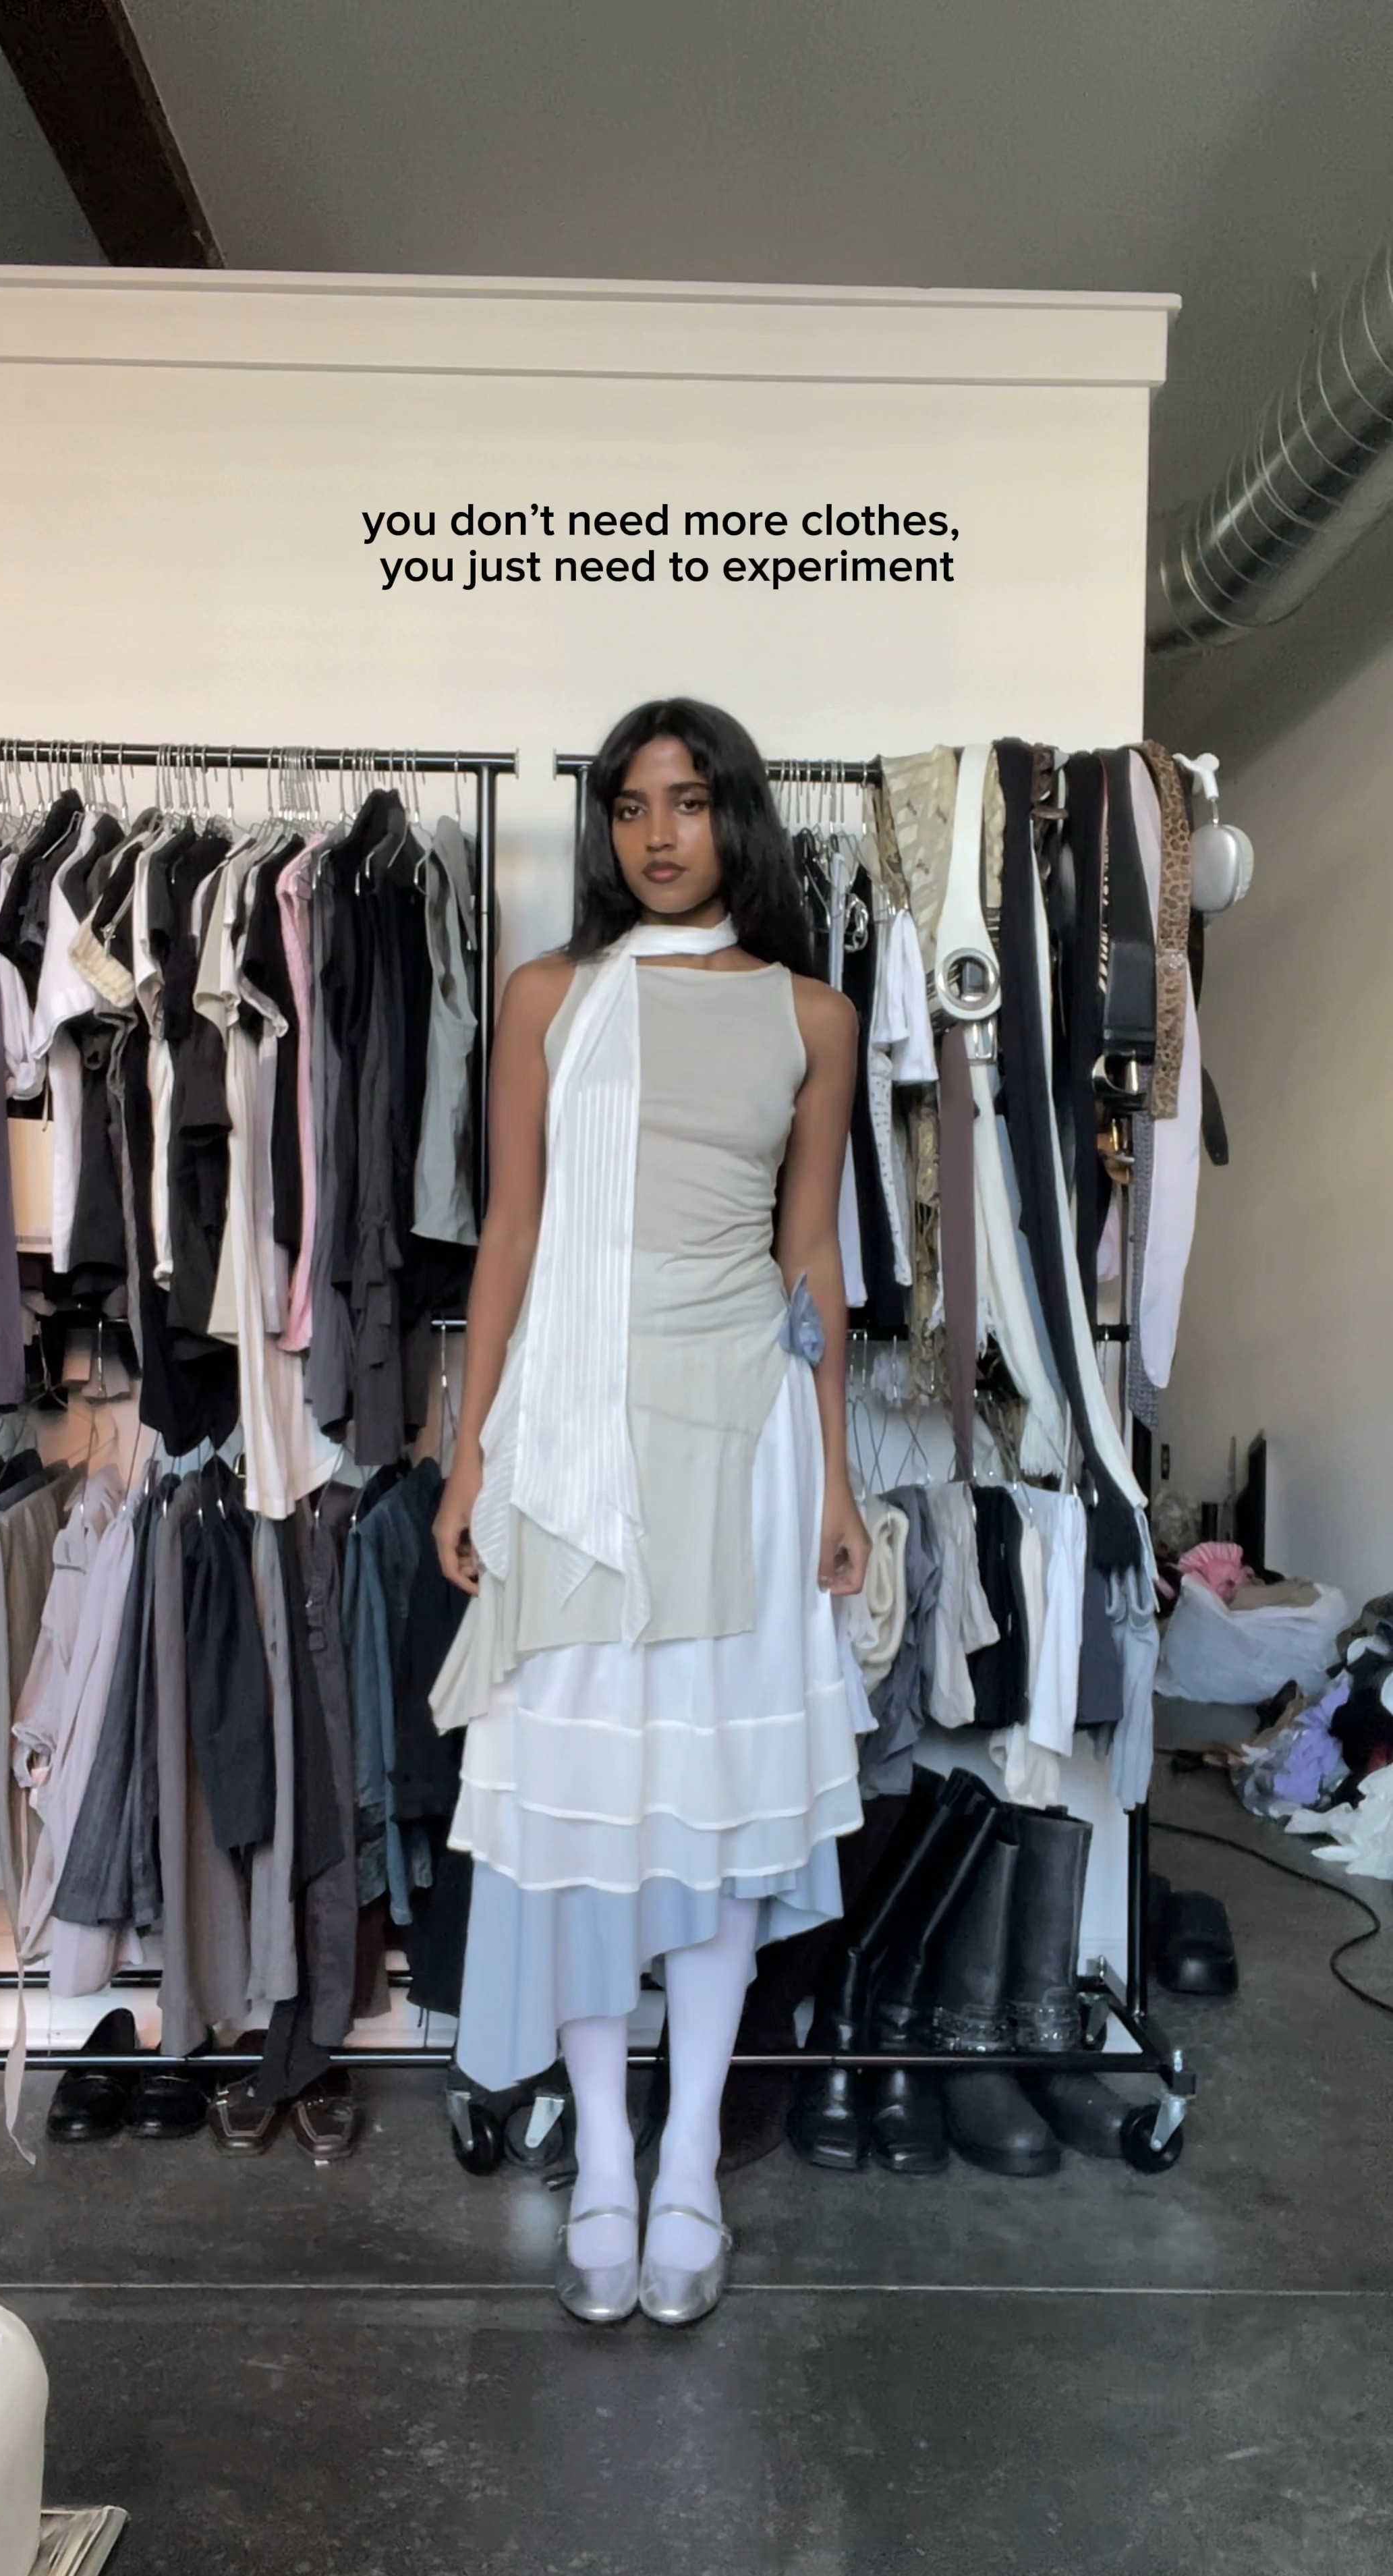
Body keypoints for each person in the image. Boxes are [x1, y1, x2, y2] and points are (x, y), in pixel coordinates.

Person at [430, 698, 870, 2326]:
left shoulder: (811, 1017)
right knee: (577, 1825)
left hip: (737, 1445)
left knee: (710, 1815)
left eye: (686, 802)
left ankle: (687, 2165)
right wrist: (469, 1457)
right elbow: (510, 1237)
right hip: (568, 1450)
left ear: (735, 815)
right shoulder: (549, 996)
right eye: (628, 806)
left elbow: (809, 1261)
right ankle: (604, 2166)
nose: (657, 834)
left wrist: (837, 1477)